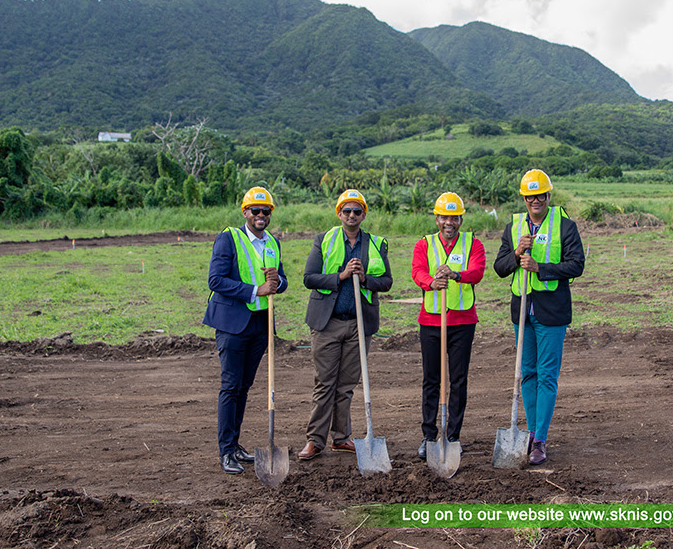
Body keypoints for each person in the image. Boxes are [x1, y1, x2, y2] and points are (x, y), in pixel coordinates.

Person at [493, 169, 584, 465]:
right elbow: (500, 267)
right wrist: (517, 252)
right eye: (530, 196)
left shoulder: (566, 226)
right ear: (524, 198)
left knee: (546, 375)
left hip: (552, 311)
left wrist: (540, 268)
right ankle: (530, 432)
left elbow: (576, 265)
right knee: (527, 374)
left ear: (548, 196)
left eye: (540, 195)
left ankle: (540, 439)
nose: (535, 200)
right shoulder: (513, 227)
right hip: (522, 311)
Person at [298, 190, 393, 460]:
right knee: (324, 383)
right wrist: (340, 276)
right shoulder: (323, 240)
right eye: (347, 211)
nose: (352, 215)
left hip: (359, 325)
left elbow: (386, 281)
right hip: (327, 323)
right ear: (339, 213)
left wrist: (364, 279)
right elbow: (309, 278)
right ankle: (315, 440)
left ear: (364, 214)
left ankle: (341, 438)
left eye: (357, 211)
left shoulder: (376, 244)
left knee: (346, 385)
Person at [203, 187, 288, 475]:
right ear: (245, 212)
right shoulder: (229, 238)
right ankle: (226, 450)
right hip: (233, 324)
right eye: (255, 211)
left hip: (260, 324)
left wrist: (278, 282)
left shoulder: (273, 243)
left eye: (266, 211)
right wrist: (255, 290)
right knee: (230, 386)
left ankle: (236, 445)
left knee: (244, 387)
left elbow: (282, 280)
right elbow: (215, 280)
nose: (261, 216)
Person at [411, 192, 485, 459]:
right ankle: (429, 435)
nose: (449, 222)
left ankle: (453, 435)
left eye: (454, 217)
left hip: (463, 321)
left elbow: (477, 271)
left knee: (458, 379)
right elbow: (417, 271)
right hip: (431, 320)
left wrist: (455, 275)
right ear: (437, 219)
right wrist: (431, 282)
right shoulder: (424, 244)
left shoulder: (473, 244)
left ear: (461, 218)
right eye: (444, 216)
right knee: (431, 380)